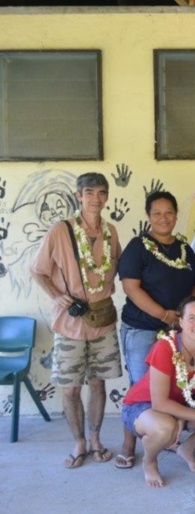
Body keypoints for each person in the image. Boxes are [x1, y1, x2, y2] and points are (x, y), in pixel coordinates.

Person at [30, 172, 122, 469]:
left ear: (107, 197)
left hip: (103, 319)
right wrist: (56, 295)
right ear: (79, 196)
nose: (96, 198)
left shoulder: (112, 232)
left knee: (97, 384)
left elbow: (117, 267)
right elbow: (38, 270)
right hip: (70, 322)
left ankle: (95, 439)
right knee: (70, 389)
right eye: (90, 192)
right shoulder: (61, 230)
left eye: (102, 192)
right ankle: (79, 442)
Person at [115, 191, 195, 469]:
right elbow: (131, 287)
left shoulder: (185, 249)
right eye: (157, 213)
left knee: (172, 388)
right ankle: (130, 445)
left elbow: (194, 288)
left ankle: (162, 435)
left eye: (169, 213)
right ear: (149, 216)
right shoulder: (137, 247)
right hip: (142, 329)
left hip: (178, 332)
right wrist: (164, 315)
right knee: (141, 390)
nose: (163, 218)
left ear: (176, 215)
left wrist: (186, 320)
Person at [120, 296, 195, 488]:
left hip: (182, 402)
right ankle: (149, 461)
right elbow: (160, 404)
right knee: (165, 427)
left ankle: (187, 448)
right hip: (143, 405)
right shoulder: (166, 346)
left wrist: (189, 416)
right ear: (180, 321)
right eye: (192, 318)